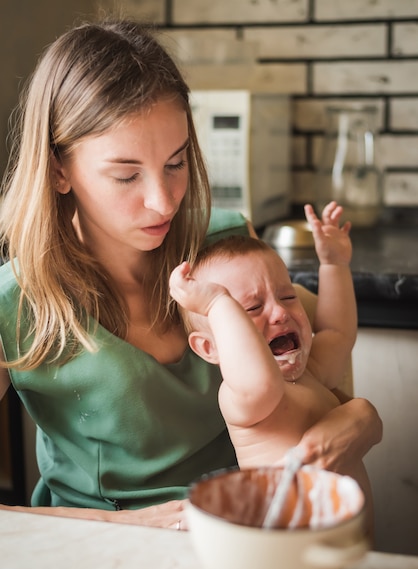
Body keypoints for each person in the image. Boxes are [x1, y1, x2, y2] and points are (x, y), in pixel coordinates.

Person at [0, 18, 381, 530]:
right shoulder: (14, 304)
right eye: (126, 175)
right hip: (98, 551)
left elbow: (319, 373)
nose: (163, 202)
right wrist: (135, 525)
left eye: (176, 163)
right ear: (58, 169)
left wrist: (358, 422)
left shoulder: (226, 244)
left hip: (245, 529)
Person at [169, 202, 374, 531]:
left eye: (287, 296)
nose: (280, 313)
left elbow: (337, 332)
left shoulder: (311, 371)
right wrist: (216, 302)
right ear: (209, 348)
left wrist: (333, 264)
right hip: (283, 543)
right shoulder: (241, 397)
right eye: (251, 308)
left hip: (350, 543)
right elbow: (260, 381)